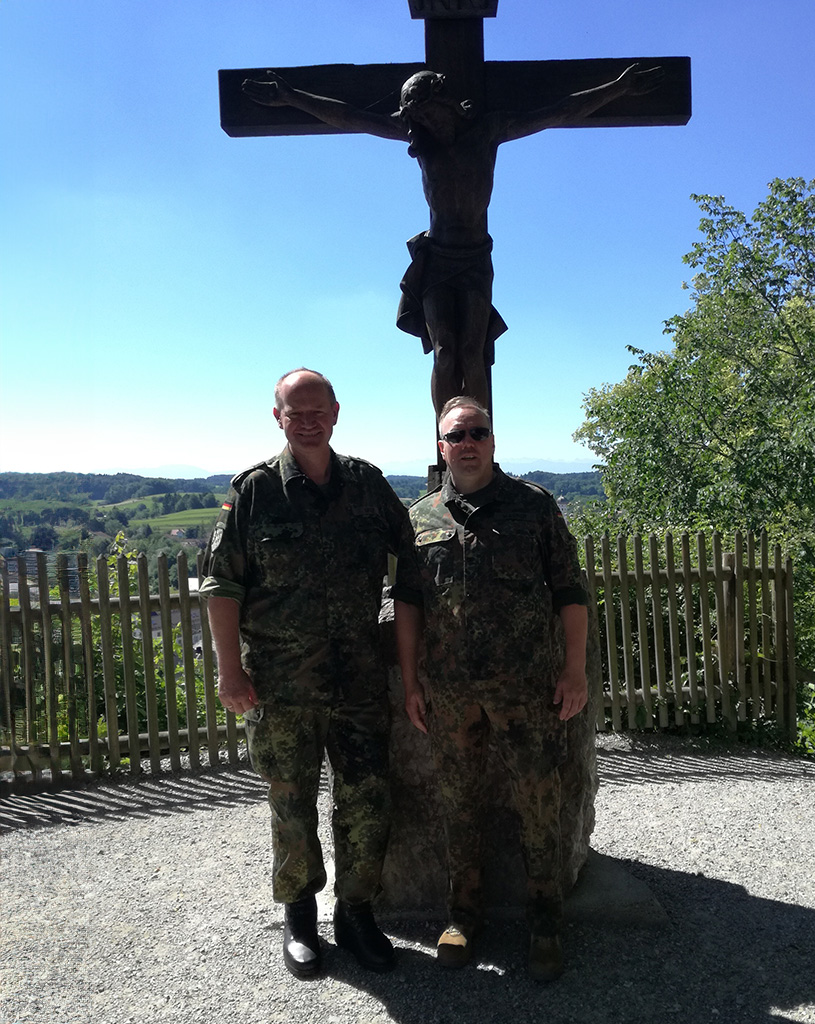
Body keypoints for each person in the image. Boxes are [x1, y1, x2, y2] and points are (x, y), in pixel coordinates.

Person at [240, 64, 663, 420]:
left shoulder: (489, 130)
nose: (422, 123)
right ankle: (448, 432)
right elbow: (351, 116)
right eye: (416, 117)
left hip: (475, 256)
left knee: (471, 349)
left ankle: (477, 430)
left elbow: (559, 111)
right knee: (444, 351)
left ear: (443, 100)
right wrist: (291, 96)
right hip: (437, 258)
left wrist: (619, 87)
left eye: (427, 113)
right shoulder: (418, 137)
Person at [200, 368, 422, 979]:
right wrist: (228, 673)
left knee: (366, 800)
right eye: (294, 411)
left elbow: (411, 571)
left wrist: (409, 674)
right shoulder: (254, 493)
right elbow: (221, 586)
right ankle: (300, 917)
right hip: (281, 683)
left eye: (316, 409)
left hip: (356, 681)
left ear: (336, 412)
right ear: (278, 418)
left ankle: (356, 913)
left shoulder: (369, 486)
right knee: (291, 802)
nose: (306, 420)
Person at [394, 395, 589, 982]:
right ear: (441, 446)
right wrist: (411, 682)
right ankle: (463, 915)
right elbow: (406, 605)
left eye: (478, 431)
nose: (469, 442)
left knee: (539, 803)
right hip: (451, 695)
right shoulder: (421, 518)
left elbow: (570, 592)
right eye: (457, 435)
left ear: (494, 441)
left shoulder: (535, 508)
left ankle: (546, 921)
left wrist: (573, 669)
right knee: (458, 804)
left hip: (528, 693)